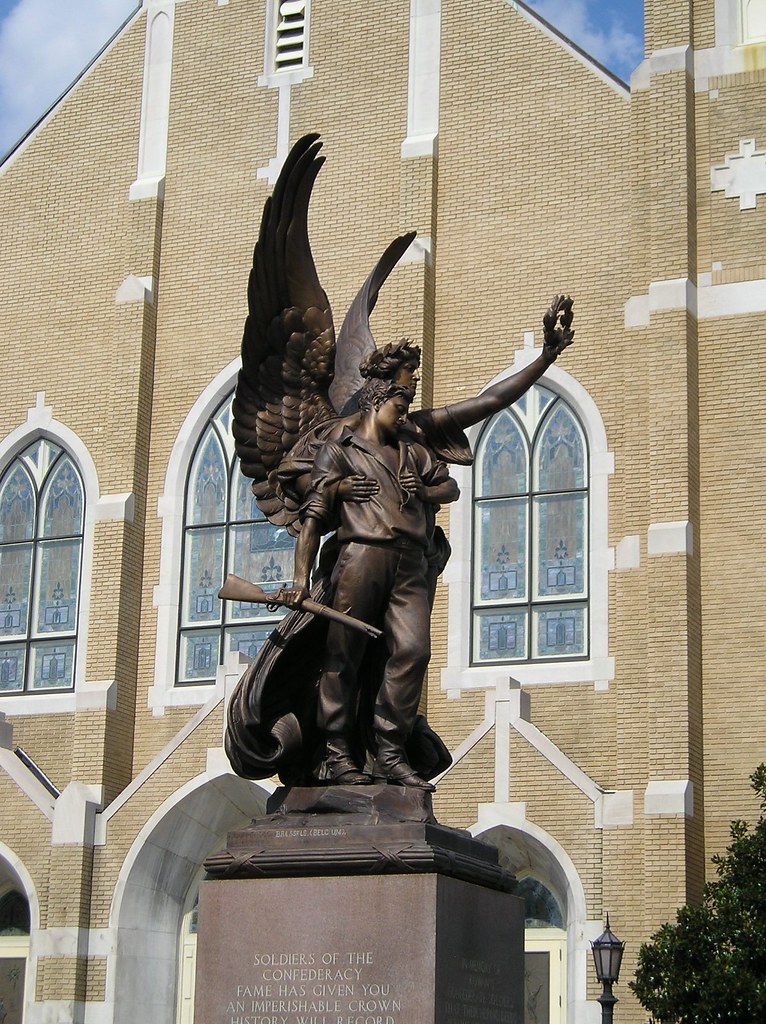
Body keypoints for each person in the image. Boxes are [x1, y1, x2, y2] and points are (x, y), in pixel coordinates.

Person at [283, 378, 458, 790]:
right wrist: (299, 581)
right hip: (361, 558)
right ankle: (338, 752)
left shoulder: (412, 451)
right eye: (400, 406)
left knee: (413, 651)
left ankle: (391, 753)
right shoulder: (339, 451)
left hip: (411, 564)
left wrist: (428, 489)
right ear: (375, 402)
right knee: (344, 658)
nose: (405, 414)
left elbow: (450, 485)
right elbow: (313, 517)